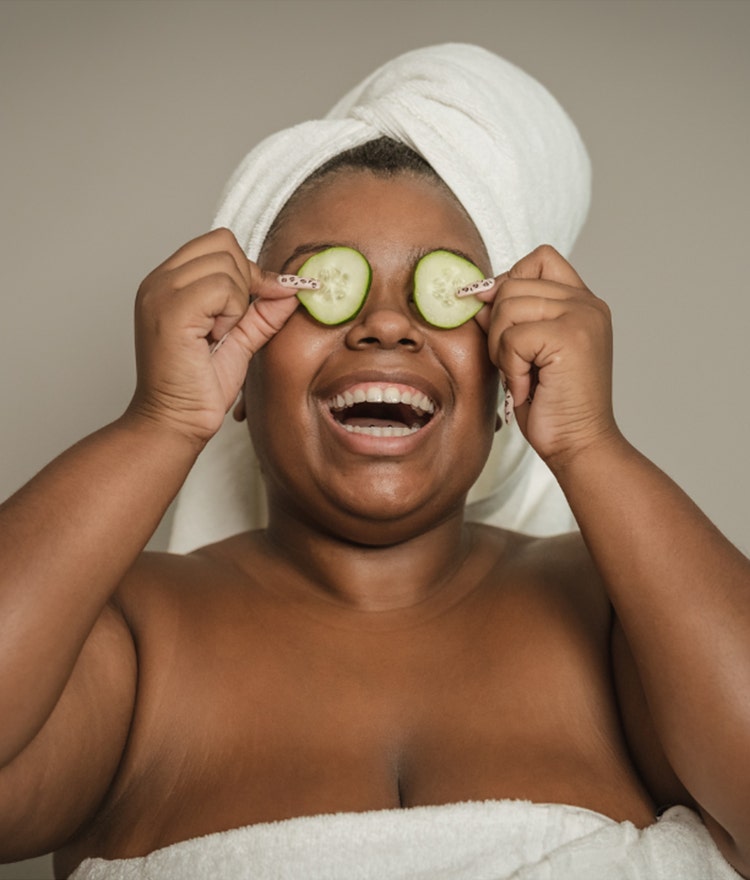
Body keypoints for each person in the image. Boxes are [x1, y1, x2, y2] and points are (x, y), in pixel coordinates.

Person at [0, 44, 748, 880]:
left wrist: (590, 444)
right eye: (330, 285)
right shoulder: (130, 636)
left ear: (509, 376)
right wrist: (160, 421)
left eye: (448, 289)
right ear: (239, 361)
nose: (387, 326)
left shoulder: (622, 618)